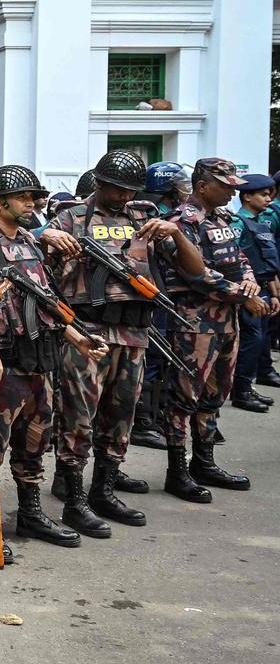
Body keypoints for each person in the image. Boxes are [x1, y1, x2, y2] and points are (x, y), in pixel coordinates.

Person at [40, 150, 212, 536]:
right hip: (89, 332)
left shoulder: (144, 218)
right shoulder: (70, 219)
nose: (122, 197)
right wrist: (46, 239)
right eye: (116, 189)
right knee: (77, 417)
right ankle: (74, 500)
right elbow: (40, 278)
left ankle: (103, 490)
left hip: (134, 333)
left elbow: (195, 269)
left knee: (121, 417)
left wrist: (177, 233)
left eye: (129, 191)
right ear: (99, 183)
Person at [0, 165, 101, 563]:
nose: (33, 204)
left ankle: (31, 513)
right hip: (5, 364)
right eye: (24, 198)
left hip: (41, 362)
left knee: (35, 441)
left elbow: (48, 307)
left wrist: (79, 340)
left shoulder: (31, 245)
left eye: (35, 197)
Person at [161, 158, 263, 502]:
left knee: (214, 396)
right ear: (203, 186)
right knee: (183, 399)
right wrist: (242, 296)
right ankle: (178, 472)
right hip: (194, 323)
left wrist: (250, 284)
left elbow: (241, 259)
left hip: (227, 321)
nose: (233, 191)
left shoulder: (224, 220)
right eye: (226, 185)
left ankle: (204, 462)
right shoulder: (180, 222)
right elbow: (196, 273)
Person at [131, 162, 195, 449]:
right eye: (181, 186)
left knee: (159, 358)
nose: (186, 192)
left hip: (159, 293)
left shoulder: (160, 215)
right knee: (151, 359)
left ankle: (152, 416)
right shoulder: (147, 214)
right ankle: (142, 422)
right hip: (146, 294)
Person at [230, 174, 280, 411]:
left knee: (258, 339)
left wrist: (274, 292)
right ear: (247, 196)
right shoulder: (238, 223)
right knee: (251, 339)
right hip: (247, 291)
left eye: (269, 194)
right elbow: (234, 261)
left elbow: (265, 261)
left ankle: (246, 386)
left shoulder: (261, 222)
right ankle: (241, 390)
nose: (268, 198)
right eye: (263, 194)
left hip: (262, 286)